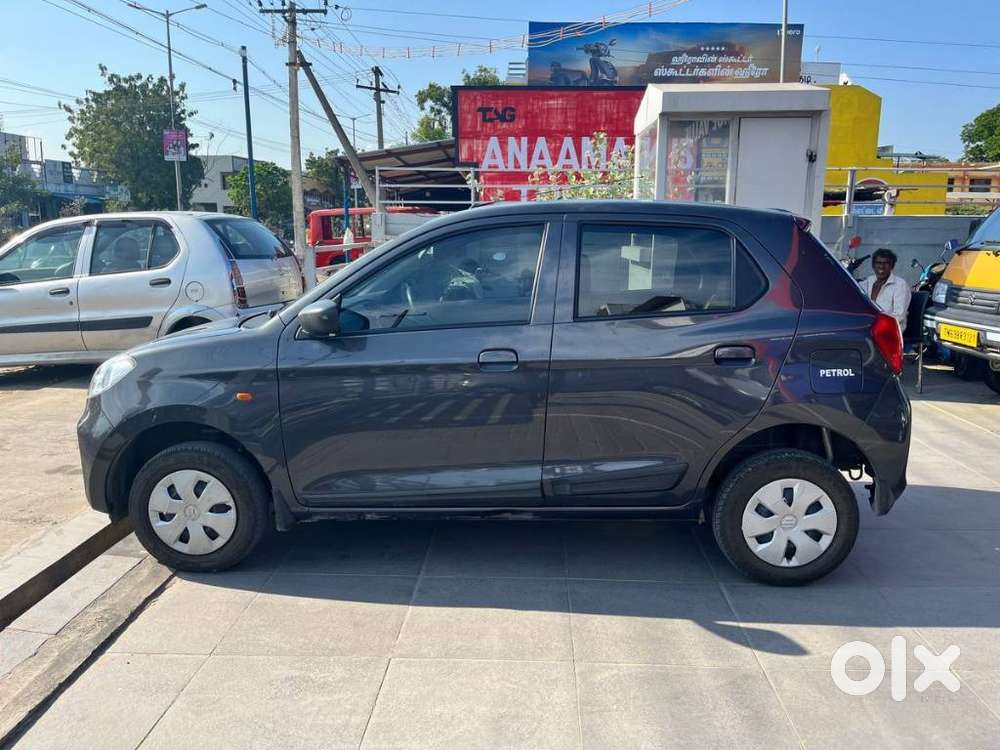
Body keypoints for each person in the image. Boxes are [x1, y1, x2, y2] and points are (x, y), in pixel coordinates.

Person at [858, 248, 911, 331]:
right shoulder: (867, 282)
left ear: (892, 266)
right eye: (878, 263)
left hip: (890, 330)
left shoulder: (900, 285)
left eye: (886, 263)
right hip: (867, 327)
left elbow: (899, 315)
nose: (882, 267)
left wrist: (875, 323)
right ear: (873, 265)